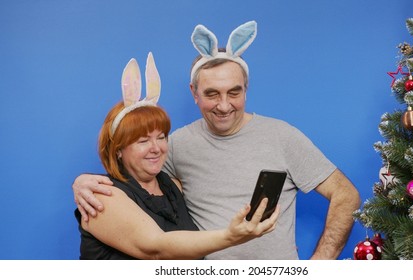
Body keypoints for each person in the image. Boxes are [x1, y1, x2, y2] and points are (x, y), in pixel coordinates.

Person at [73, 21, 361, 260]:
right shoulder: (176, 145)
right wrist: (83, 184)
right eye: (212, 94)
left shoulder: (282, 136)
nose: (224, 105)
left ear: (246, 90)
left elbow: (346, 194)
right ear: (194, 93)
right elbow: (132, 180)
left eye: (234, 92)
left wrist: (320, 266)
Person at [74, 52, 279, 260]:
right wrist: (231, 236)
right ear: (118, 149)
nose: (156, 148)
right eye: (143, 141)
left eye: (161, 137)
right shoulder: (100, 197)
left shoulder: (174, 188)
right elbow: (156, 249)